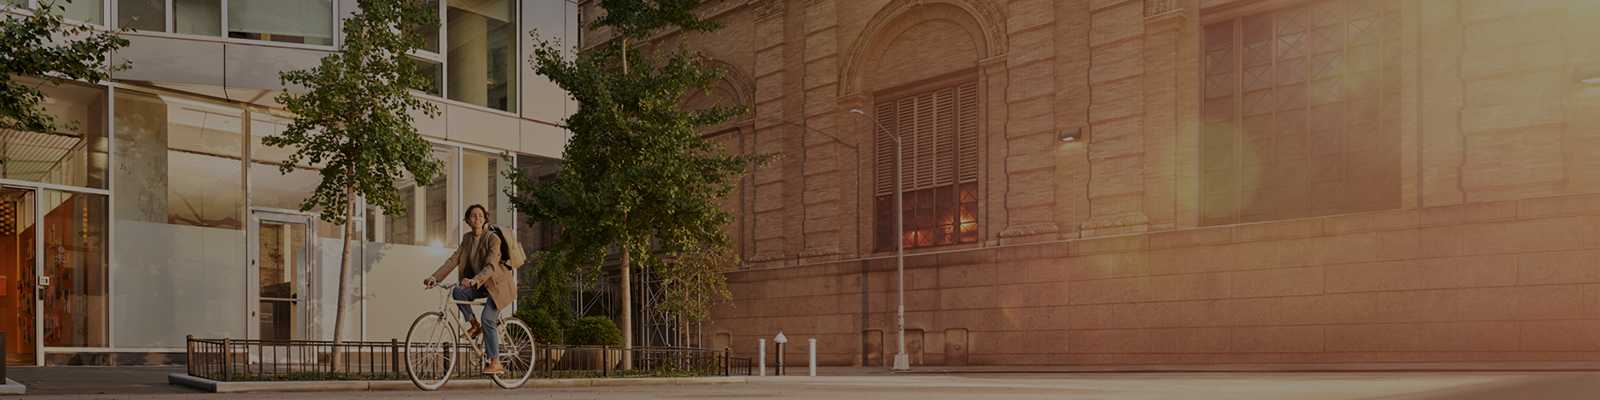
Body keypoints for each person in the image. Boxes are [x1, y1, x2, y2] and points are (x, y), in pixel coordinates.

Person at [422, 204, 511, 374]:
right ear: (468, 220)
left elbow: (491, 265)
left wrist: (473, 280)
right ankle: (475, 326)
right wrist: (434, 277)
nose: (477, 218)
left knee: (488, 318)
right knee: (457, 291)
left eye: (480, 215)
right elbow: (454, 259)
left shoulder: (493, 238)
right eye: (473, 216)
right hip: (480, 284)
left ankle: (496, 361)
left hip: (497, 286)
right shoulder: (468, 239)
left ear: (485, 219)